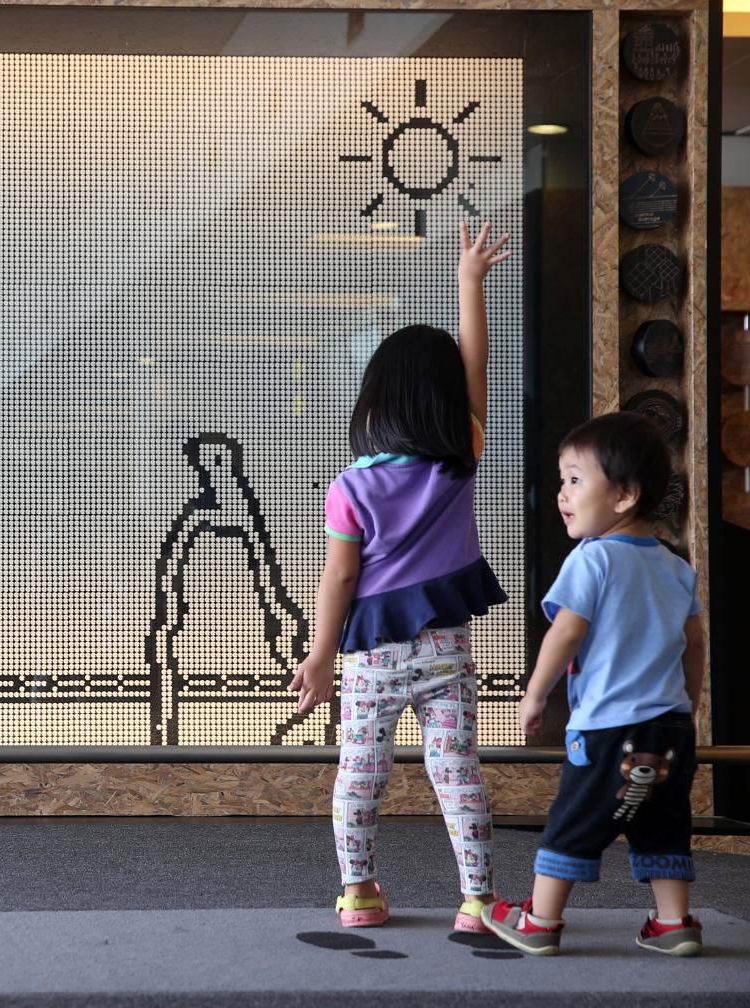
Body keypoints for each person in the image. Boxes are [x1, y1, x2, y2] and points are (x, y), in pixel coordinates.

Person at [289, 221, 511, 932]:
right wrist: (469, 281)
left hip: (372, 659)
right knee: (458, 774)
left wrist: (320, 655)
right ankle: (477, 899)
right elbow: (475, 365)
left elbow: (338, 579)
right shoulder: (460, 460)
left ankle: (359, 893)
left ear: (375, 397)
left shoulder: (350, 487)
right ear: (447, 403)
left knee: (361, 773)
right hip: (445, 649)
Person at [483, 412, 704, 957]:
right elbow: (695, 644)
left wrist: (536, 693)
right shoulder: (677, 568)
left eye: (576, 480)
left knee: (575, 819)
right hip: (671, 728)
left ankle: (540, 920)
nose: (562, 493)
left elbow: (566, 632)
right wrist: (690, 705)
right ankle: (674, 921)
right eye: (563, 480)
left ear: (625, 495)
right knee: (663, 823)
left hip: (608, 729)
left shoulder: (593, 558)